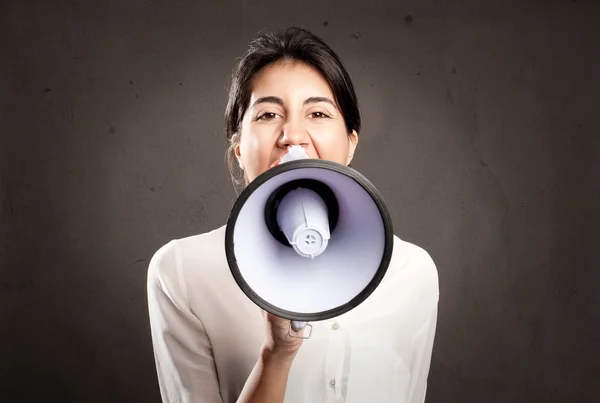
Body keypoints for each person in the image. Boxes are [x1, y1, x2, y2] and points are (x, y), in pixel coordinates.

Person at [147, 26, 439, 403]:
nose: (293, 136)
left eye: (318, 112)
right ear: (238, 148)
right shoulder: (182, 273)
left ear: (351, 143)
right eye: (268, 114)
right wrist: (277, 354)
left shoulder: (412, 272)